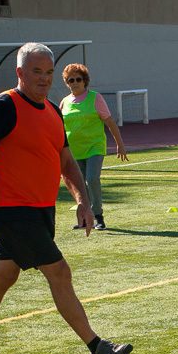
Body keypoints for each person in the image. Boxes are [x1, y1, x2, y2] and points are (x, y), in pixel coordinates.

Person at [0, 43, 133, 354]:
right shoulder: (3, 107)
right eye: (37, 71)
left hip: (41, 211)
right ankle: (98, 348)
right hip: (11, 211)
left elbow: (66, 161)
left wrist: (83, 201)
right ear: (20, 73)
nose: (45, 78)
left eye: (49, 72)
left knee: (1, 277)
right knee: (59, 272)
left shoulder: (52, 110)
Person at [59, 63, 128, 231]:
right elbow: (58, 127)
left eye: (78, 79)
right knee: (79, 184)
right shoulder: (64, 102)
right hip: (74, 150)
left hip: (94, 147)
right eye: (70, 80)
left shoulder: (95, 98)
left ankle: (99, 216)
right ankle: (84, 218)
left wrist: (120, 144)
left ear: (85, 81)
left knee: (92, 178)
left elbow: (110, 122)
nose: (74, 83)